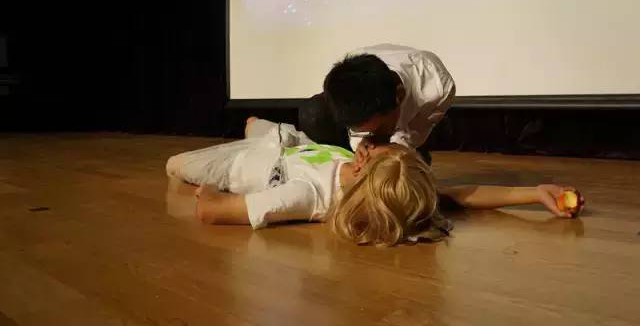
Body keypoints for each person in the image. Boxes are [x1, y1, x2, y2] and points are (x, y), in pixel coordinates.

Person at [166, 118, 584, 246]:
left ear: (364, 165)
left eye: (376, 148)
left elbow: (214, 211)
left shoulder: (306, 196)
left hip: (245, 164)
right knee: (259, 123)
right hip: (297, 145)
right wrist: (533, 193)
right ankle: (259, 127)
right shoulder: (383, 183)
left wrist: (212, 192)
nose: (370, 145)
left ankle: (246, 137)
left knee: (174, 164)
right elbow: (461, 195)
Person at [300, 44, 456, 164]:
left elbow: (416, 134)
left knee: (407, 169)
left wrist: (387, 147)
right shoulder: (347, 76)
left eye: (378, 127)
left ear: (399, 96)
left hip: (414, 125)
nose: (371, 134)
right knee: (313, 114)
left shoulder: (438, 88)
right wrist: (360, 145)